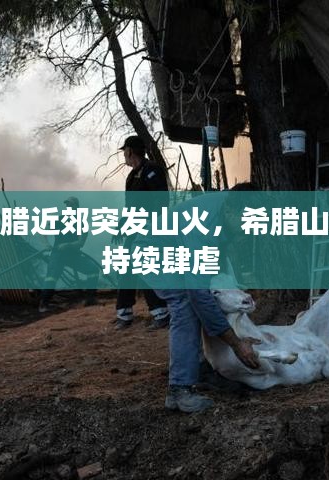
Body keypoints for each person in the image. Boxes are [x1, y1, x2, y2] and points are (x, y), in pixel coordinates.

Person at [138, 183, 261, 413]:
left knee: (208, 299)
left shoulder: (235, 202)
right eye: (245, 223)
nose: (248, 229)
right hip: (153, 252)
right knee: (186, 305)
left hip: (178, 247)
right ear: (230, 211)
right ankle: (179, 390)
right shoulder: (203, 229)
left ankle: (201, 369)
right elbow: (198, 294)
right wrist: (236, 344)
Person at [114, 135, 170, 330]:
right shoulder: (131, 177)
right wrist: (121, 226)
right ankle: (124, 313)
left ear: (130, 151)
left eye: (124, 151)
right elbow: (130, 207)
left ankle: (161, 313)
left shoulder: (152, 170)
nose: (124, 155)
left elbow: (161, 202)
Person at [39, 196, 99, 313]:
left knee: (93, 270)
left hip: (73, 255)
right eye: (67, 205)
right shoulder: (60, 220)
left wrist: (68, 245)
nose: (68, 207)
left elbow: (80, 243)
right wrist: (46, 244)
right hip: (58, 255)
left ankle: (90, 299)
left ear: (77, 207)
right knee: (52, 276)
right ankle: (43, 304)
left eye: (71, 205)